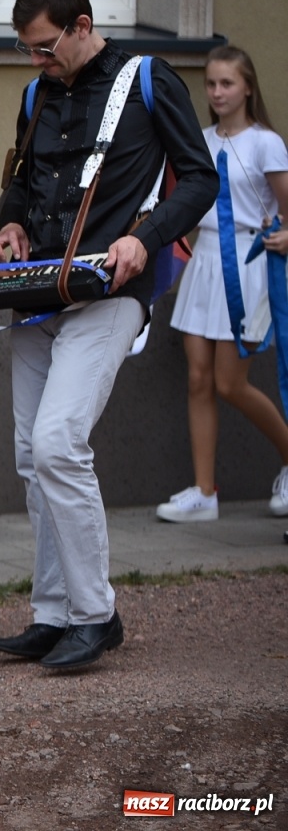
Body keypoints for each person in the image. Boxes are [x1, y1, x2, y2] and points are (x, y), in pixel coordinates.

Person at [0, 0, 216, 670]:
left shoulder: (149, 80)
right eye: (28, 50)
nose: (37, 63)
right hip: (37, 292)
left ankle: (96, 613)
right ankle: (53, 612)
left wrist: (145, 238)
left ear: (83, 25)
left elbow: (200, 178)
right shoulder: (35, 94)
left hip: (112, 291)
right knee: (33, 458)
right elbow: (22, 186)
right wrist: (13, 228)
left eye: (46, 48)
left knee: (58, 443)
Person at [158, 47, 288, 523]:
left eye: (227, 84)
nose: (217, 93)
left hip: (248, 263)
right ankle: (204, 491)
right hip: (206, 259)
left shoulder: (266, 143)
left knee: (231, 383)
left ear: (248, 87)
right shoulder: (202, 139)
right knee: (197, 379)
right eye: (211, 84)